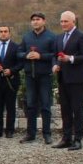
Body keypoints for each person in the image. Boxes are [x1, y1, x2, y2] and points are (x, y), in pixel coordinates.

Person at [52, 11, 83, 151]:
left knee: (77, 109)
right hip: (62, 78)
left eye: (66, 21)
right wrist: (55, 64)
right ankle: (66, 138)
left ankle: (78, 139)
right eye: (61, 21)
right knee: (65, 109)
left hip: (76, 78)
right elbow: (55, 55)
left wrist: (71, 59)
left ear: (73, 21)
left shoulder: (81, 36)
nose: (63, 24)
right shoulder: (59, 38)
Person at [17, 12, 56, 144]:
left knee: (45, 105)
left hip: (45, 75)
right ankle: (30, 134)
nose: (35, 22)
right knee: (30, 105)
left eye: (38, 19)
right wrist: (26, 55)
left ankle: (47, 134)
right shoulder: (27, 37)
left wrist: (41, 56)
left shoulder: (51, 37)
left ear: (44, 21)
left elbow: (55, 55)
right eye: (33, 20)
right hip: (30, 76)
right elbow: (19, 52)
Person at [0, 26, 23, 138]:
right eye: (1, 32)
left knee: (10, 106)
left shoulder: (16, 47)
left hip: (11, 81)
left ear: (9, 33)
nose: (3, 34)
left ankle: (10, 130)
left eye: (5, 32)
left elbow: (21, 63)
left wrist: (11, 70)